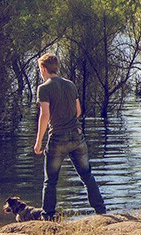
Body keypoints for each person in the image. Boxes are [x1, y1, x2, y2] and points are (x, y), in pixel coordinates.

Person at [33, 53, 107, 218]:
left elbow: (45, 115)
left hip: (57, 138)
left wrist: (38, 142)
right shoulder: (70, 84)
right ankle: (101, 211)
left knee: (50, 181)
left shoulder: (43, 88)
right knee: (87, 176)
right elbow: (78, 111)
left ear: (43, 69)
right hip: (76, 136)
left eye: (39, 69)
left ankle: (48, 216)